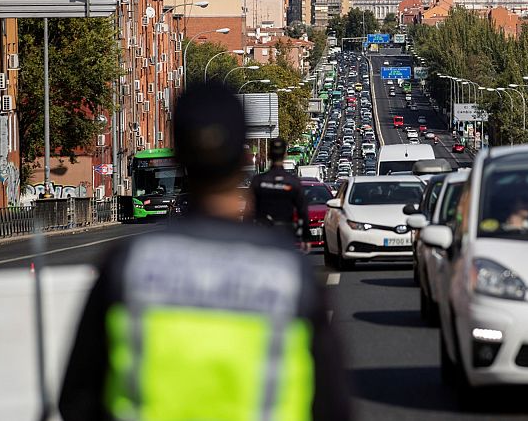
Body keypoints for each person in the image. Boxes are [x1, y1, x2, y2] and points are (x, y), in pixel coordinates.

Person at [59, 82, 350, 421]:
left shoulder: (127, 266)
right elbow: (332, 405)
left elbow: (78, 399)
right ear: (243, 159)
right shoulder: (289, 275)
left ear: (179, 156)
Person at [250, 138, 311, 250]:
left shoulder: (258, 181)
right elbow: (302, 212)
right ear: (285, 155)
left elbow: (249, 211)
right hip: (286, 235)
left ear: (269, 155)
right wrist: (305, 237)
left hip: (263, 235)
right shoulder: (293, 182)